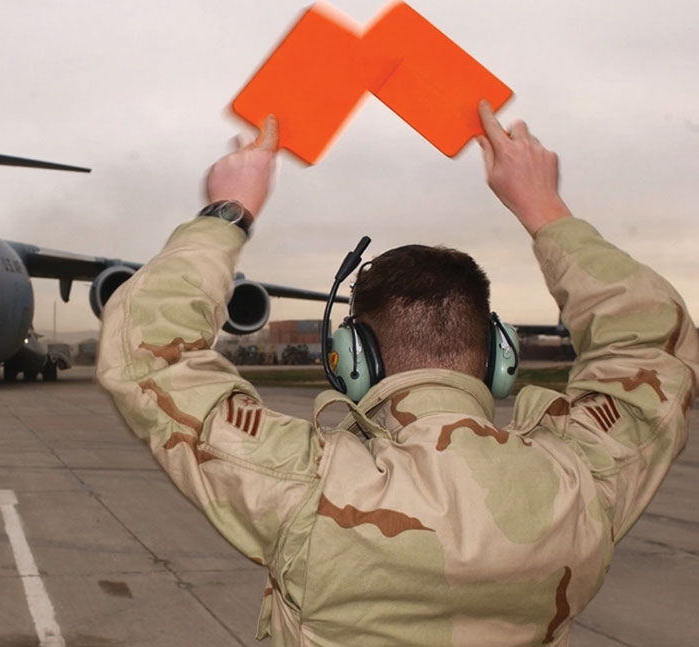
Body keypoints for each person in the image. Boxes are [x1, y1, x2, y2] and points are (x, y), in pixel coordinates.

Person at [95, 102, 698, 646]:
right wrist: (546, 209)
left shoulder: (306, 489)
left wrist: (228, 211)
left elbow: (147, 355)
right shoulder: (580, 482)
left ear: (352, 359)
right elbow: (653, 346)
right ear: (500, 355)